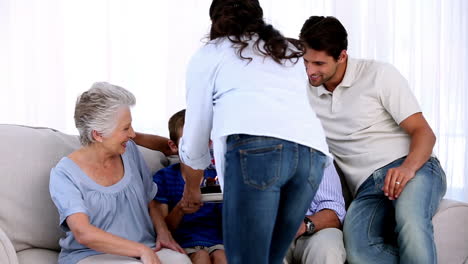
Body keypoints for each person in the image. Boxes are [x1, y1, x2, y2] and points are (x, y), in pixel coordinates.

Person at [177, 1, 332, 263]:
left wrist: (192, 186)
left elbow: (195, 136)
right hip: (311, 157)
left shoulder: (212, 53)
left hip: (259, 153)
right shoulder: (287, 51)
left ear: (215, 21)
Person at [299, 16, 447, 264]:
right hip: (367, 188)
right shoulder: (303, 94)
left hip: (413, 167)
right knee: (358, 252)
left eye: (319, 63)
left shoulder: (379, 75)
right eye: (306, 62)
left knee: (410, 220)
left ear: (342, 56)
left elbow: (423, 132)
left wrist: (406, 169)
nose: (310, 71)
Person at [49, 82, 191, 264]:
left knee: (181, 262)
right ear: (98, 135)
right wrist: (141, 251)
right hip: (92, 255)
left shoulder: (129, 151)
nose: (132, 134)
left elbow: (151, 201)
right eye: (125, 128)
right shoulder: (64, 174)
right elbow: (82, 233)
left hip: (145, 246)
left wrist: (163, 233)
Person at [149, 109, 227, 264]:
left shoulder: (217, 175)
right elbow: (165, 228)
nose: (196, 149)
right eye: (189, 142)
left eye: (203, 141)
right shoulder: (164, 178)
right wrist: (180, 209)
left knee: (221, 257)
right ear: (174, 146)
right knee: (201, 257)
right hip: (185, 242)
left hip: (218, 241)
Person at [284, 162, 346, 264]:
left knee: (327, 247)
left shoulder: (317, 152)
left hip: (313, 227)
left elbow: (334, 212)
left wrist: (305, 224)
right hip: (269, 232)